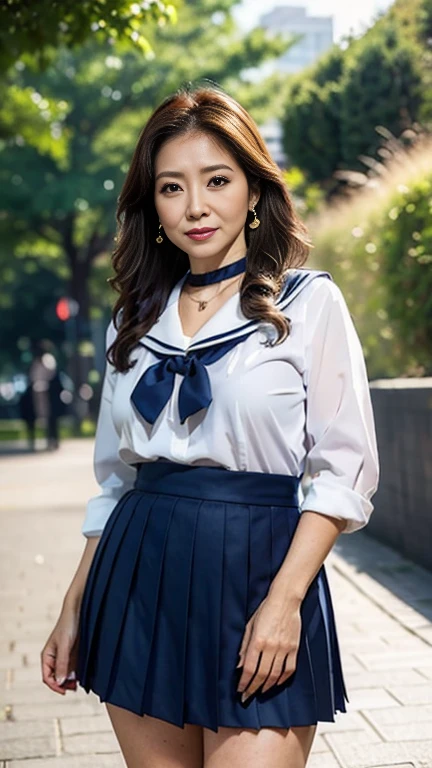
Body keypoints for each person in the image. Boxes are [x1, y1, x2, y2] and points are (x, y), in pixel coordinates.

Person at [40, 84, 380, 768]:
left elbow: (342, 470)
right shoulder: (132, 322)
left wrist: (287, 601)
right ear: (152, 205)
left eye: (217, 180)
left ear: (254, 191)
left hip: (261, 571)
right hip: (137, 576)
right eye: (172, 187)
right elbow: (115, 480)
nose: (195, 206)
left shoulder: (308, 304)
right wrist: (75, 599)